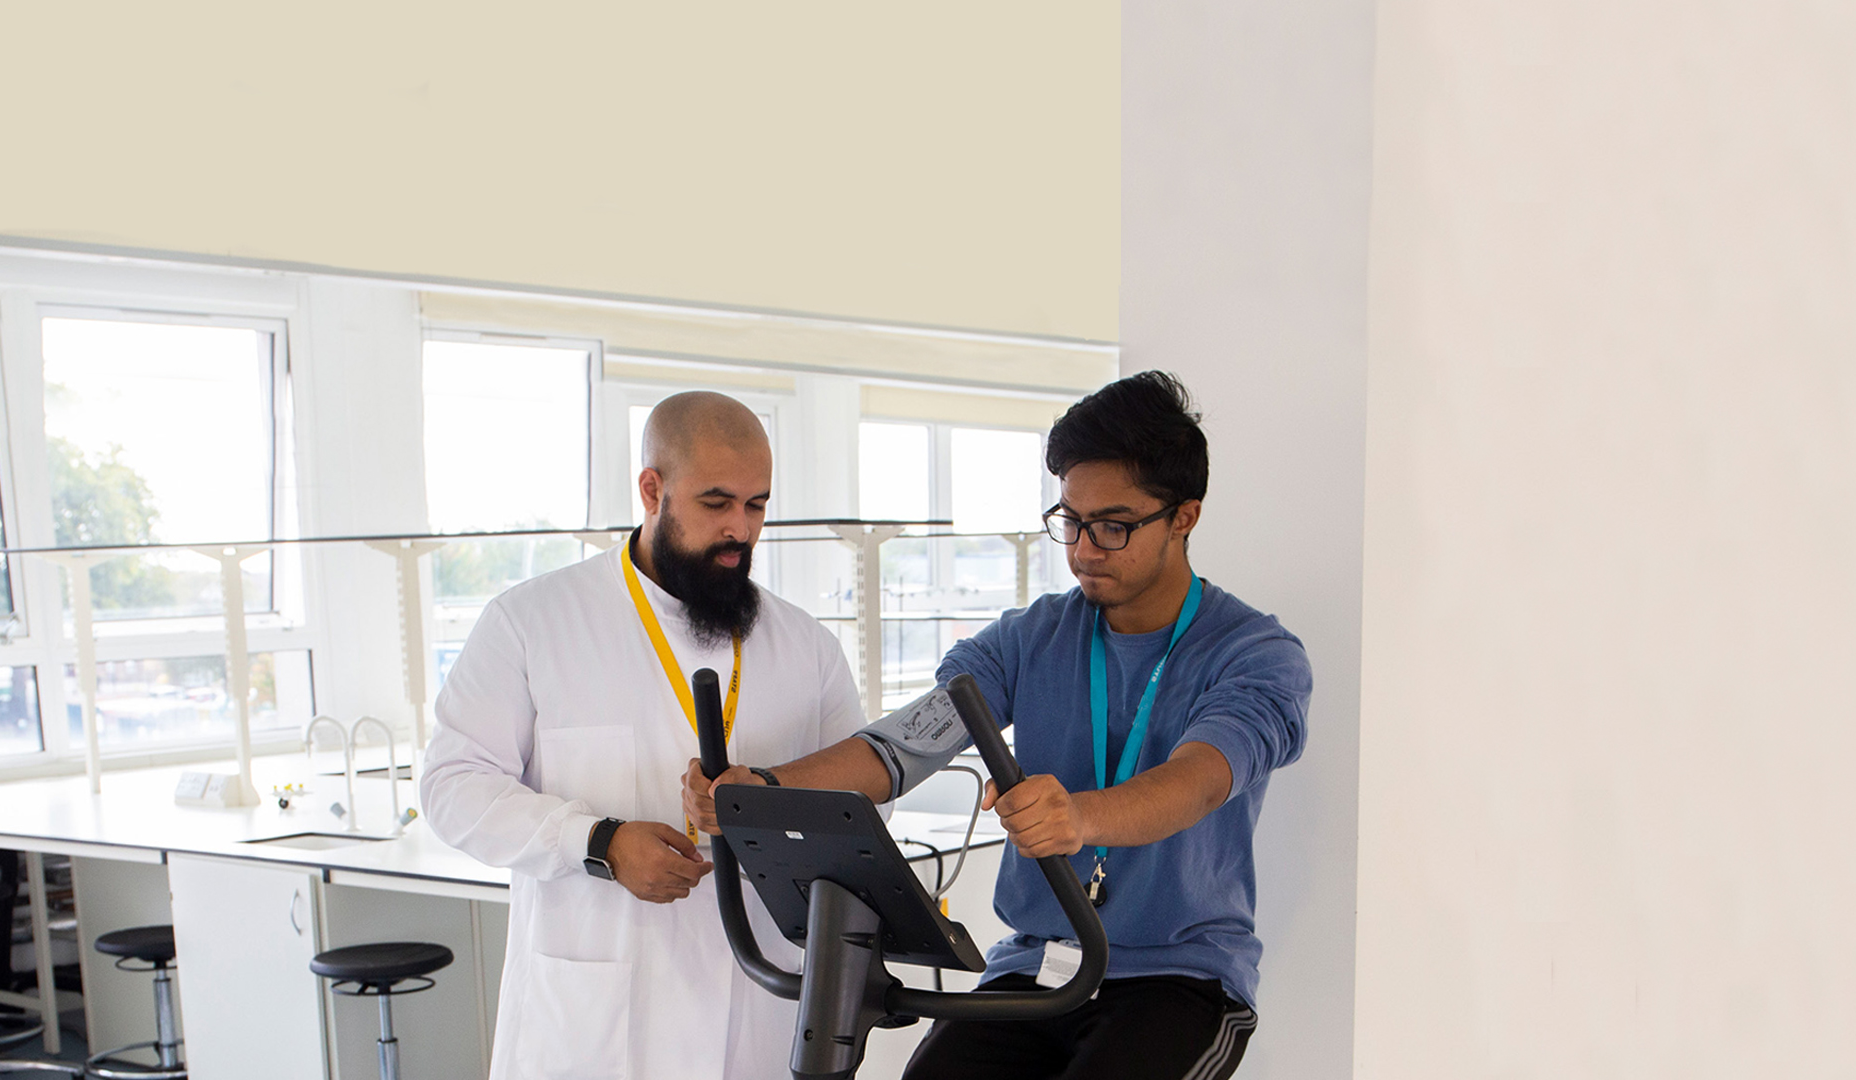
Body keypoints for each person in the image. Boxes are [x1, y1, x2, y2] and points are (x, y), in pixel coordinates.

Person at [684, 371, 1311, 1080]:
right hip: (1039, 964)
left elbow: (1198, 782)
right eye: (1070, 521)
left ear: (1185, 516)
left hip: (1178, 978)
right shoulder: (1029, 637)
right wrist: (762, 789)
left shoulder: (1254, 654)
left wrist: (1078, 817)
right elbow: (904, 745)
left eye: (1114, 527)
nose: (1082, 550)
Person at [422, 390, 866, 1080]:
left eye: (757, 505)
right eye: (716, 503)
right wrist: (597, 841)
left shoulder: (805, 645)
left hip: (757, 1001)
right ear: (651, 489)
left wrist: (770, 805)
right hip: (598, 1018)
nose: (740, 530)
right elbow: (452, 789)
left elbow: (867, 797)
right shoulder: (531, 622)